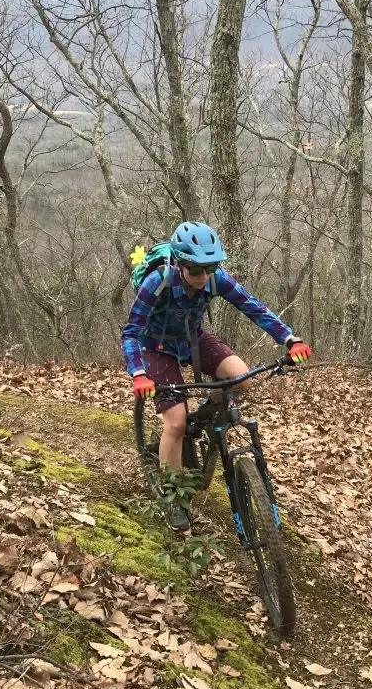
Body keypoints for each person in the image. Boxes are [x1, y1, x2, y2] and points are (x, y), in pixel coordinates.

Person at [121, 221, 312, 530]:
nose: (204, 275)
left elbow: (253, 307)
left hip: (192, 338)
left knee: (241, 379)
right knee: (176, 422)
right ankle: (173, 497)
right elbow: (131, 331)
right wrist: (138, 373)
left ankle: (202, 417)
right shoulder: (158, 280)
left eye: (210, 267)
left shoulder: (215, 279)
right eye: (197, 269)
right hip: (155, 345)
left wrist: (290, 339)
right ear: (180, 263)